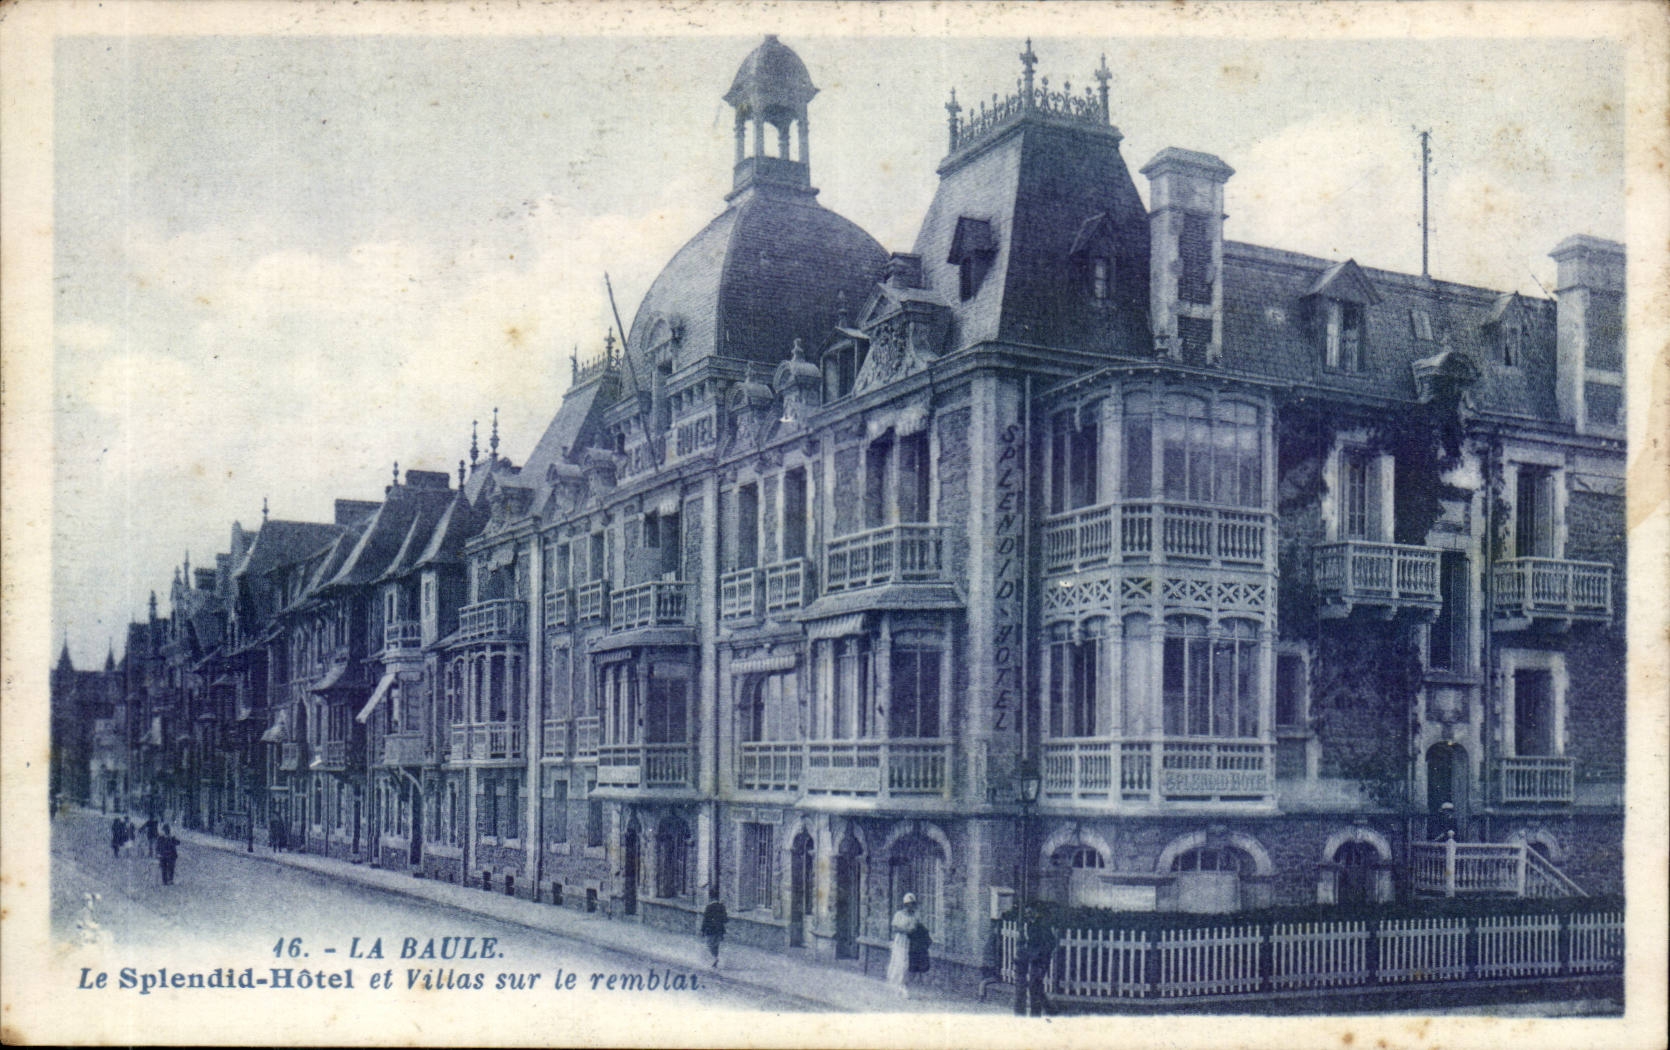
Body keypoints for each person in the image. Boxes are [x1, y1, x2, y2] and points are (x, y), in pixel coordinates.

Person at [1014, 905, 1057, 1017]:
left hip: (1041, 960)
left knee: (1034, 985)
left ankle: (1036, 1014)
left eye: (1030, 912)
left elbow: (1050, 943)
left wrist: (1041, 954)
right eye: (1026, 912)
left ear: (1036, 912)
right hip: (1032, 959)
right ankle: (1049, 1009)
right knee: (1035, 986)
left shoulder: (1043, 925)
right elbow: (1027, 942)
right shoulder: (1028, 925)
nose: (1028, 915)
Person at [887, 893, 926, 999]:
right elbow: (894, 928)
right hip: (900, 942)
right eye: (909, 904)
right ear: (905, 904)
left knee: (908, 965)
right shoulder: (899, 915)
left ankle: (904, 985)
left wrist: (915, 931)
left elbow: (918, 928)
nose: (911, 906)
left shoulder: (915, 916)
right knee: (901, 964)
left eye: (913, 904)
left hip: (911, 943)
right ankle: (899, 986)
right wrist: (905, 930)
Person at [699, 888, 729, 969]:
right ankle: (715, 959)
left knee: (710, 944)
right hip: (720, 930)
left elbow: (705, 919)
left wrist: (702, 930)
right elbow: (726, 919)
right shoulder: (722, 906)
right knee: (717, 945)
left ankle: (715, 959)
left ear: (710, 897)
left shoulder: (709, 907)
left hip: (710, 929)